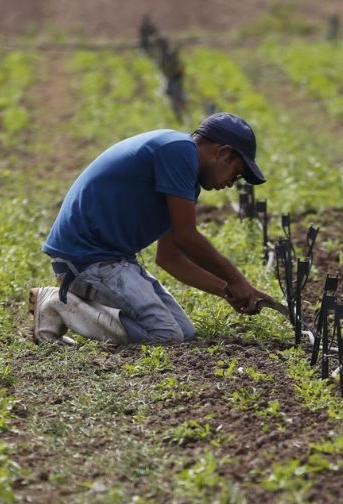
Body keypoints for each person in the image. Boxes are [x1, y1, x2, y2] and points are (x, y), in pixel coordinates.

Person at [31, 112, 277, 346]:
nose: (231, 184)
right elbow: (187, 237)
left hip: (113, 261)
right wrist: (236, 279)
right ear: (223, 153)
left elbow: (169, 258)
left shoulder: (185, 178)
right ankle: (57, 304)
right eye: (236, 174)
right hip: (85, 259)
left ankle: (75, 307)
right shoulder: (179, 151)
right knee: (165, 334)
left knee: (185, 332)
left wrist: (229, 290)